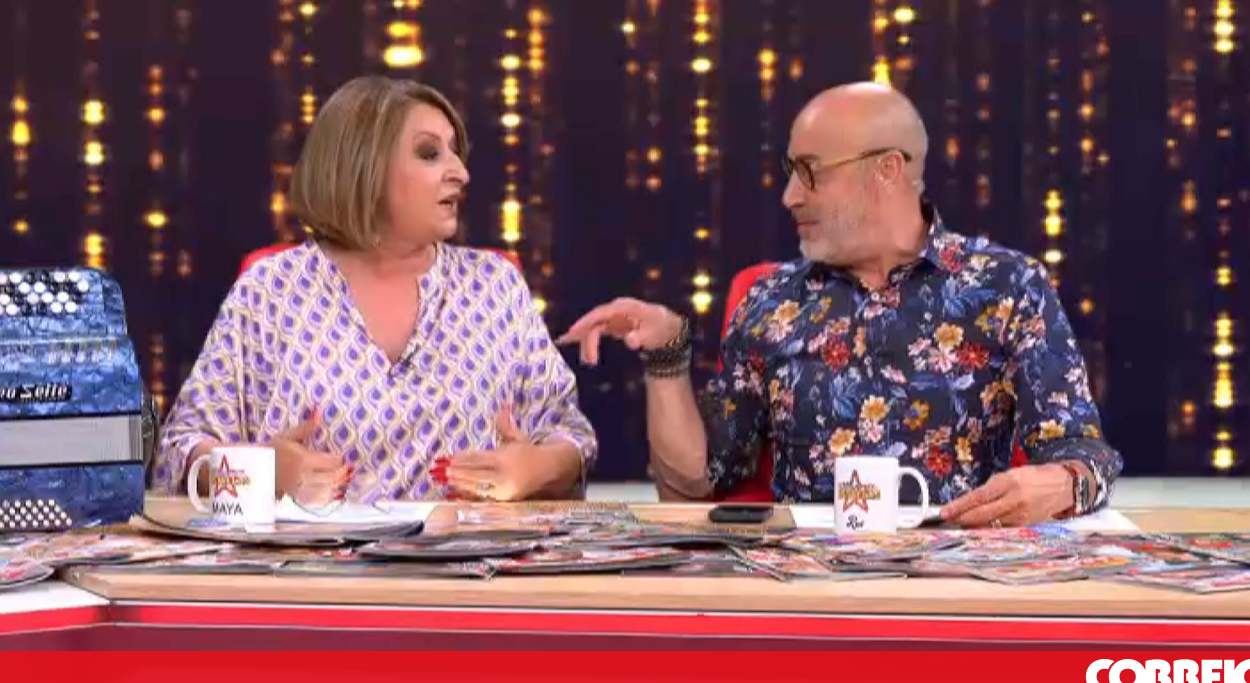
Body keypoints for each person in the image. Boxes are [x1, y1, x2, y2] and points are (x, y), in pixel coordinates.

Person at [558, 82, 1121, 528]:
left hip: (957, 583)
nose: (790, 196)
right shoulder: (770, 300)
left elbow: (1084, 453)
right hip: (803, 591)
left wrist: (1065, 482)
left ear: (887, 169)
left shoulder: (1008, 286)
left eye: (810, 172)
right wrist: (666, 354)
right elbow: (693, 486)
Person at [152, 76, 597, 505]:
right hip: (308, 558)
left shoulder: (495, 287)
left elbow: (571, 437)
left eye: (457, 154)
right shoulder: (269, 291)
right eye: (429, 154)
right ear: (363, 165)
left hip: (469, 558)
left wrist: (534, 469)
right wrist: (258, 473)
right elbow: (179, 453)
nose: (461, 173)